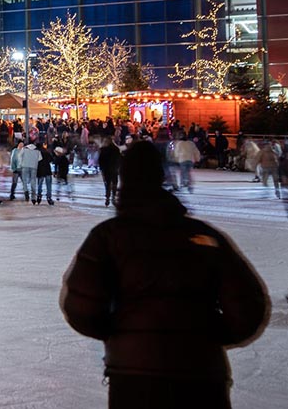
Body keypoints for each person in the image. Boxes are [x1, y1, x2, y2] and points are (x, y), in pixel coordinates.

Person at [60, 141, 269, 408]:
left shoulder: (108, 237)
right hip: (201, 371)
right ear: (162, 174)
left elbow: (80, 305)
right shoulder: (204, 236)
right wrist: (203, 334)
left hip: (134, 374)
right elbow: (248, 306)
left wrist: (121, 332)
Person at [98, 136, 122, 207]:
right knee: (114, 182)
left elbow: (100, 160)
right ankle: (113, 196)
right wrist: (118, 167)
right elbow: (119, 159)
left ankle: (107, 197)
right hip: (114, 168)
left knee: (107, 183)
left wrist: (101, 168)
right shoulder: (116, 149)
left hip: (106, 169)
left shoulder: (103, 149)